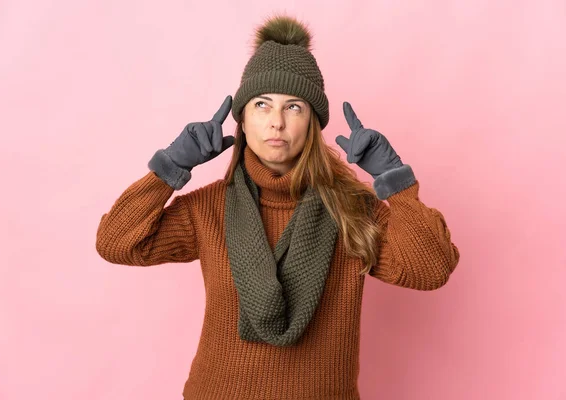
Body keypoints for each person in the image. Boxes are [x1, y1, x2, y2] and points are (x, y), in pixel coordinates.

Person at [96, 14, 460, 400]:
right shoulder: (208, 209)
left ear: (313, 123)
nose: (276, 123)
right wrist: (171, 166)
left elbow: (430, 269)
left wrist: (394, 179)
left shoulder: (352, 210)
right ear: (242, 119)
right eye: (262, 105)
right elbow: (117, 243)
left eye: (294, 107)